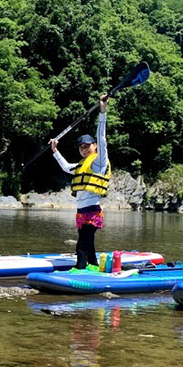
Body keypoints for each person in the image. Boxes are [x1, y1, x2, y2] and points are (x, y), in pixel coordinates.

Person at [51, 93, 110, 270]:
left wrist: (102, 112)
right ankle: (93, 265)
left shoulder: (99, 161)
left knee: (82, 244)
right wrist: (55, 151)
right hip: (81, 211)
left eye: (87, 146)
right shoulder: (80, 165)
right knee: (88, 242)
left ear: (95, 146)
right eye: (81, 147)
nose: (84, 149)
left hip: (93, 210)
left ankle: (80, 269)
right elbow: (65, 167)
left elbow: (101, 138)